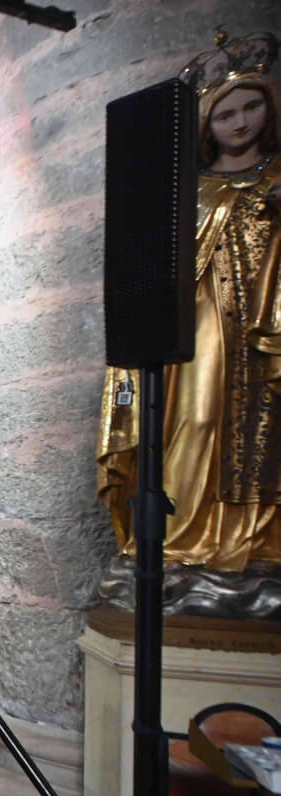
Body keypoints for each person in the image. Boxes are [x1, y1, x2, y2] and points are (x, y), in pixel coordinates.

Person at [98, 47, 281, 571]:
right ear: (206, 125)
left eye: (251, 107)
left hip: (264, 320)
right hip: (201, 318)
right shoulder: (191, 190)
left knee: (264, 429)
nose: (240, 122)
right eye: (225, 114)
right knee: (194, 419)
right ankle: (179, 538)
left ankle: (256, 544)